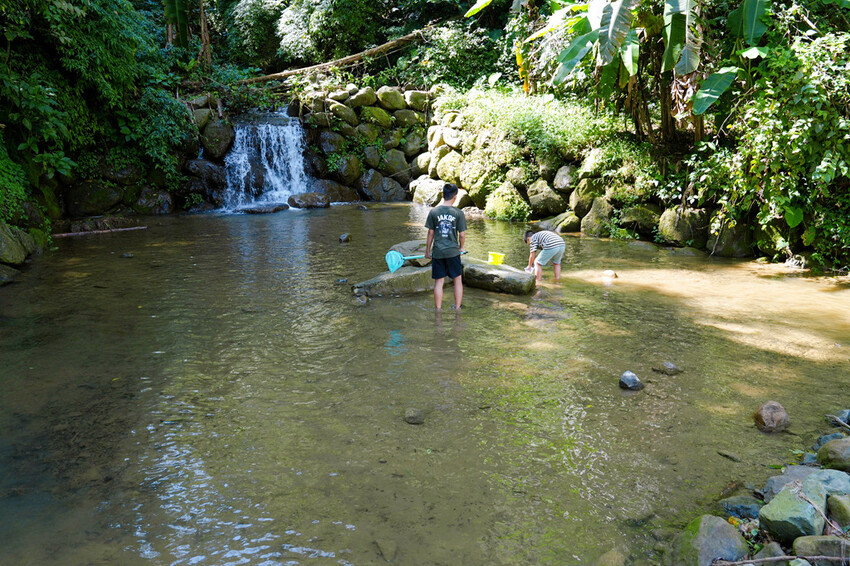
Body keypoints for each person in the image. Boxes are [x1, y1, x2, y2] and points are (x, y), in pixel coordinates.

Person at [425, 183, 467, 310]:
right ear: (455, 197)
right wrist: (461, 248)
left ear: (442, 195)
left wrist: (427, 251)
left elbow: (430, 233)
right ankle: (457, 307)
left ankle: (438, 309)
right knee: (457, 280)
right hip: (453, 252)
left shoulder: (434, 212)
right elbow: (462, 234)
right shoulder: (458, 213)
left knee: (439, 282)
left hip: (438, 252)